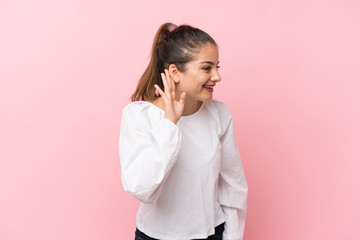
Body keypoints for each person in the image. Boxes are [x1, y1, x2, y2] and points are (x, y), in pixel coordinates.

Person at [119, 22, 248, 240]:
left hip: (211, 233)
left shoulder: (218, 114)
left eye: (217, 67)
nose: (217, 76)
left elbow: (233, 188)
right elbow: (141, 188)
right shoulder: (138, 116)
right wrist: (170, 122)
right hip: (155, 236)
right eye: (207, 68)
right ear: (174, 73)